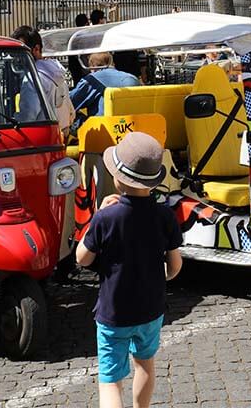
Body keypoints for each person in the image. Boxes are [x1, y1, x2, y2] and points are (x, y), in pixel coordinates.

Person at [77, 132, 183, 408]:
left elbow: (82, 259)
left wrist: (96, 217)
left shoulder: (106, 217)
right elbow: (175, 265)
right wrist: (163, 277)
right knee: (145, 365)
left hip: (114, 312)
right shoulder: (165, 215)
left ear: (118, 178)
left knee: (110, 379)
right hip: (151, 309)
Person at [11, 26, 73, 134]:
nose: (17, 57)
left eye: (21, 51)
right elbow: (70, 110)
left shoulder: (33, 78)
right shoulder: (56, 72)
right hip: (61, 132)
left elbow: (28, 116)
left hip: (42, 136)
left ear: (36, 48)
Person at [71, 51, 142, 116]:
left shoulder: (93, 79)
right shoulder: (133, 78)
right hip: (132, 124)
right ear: (112, 63)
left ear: (93, 67)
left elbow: (71, 102)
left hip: (103, 125)